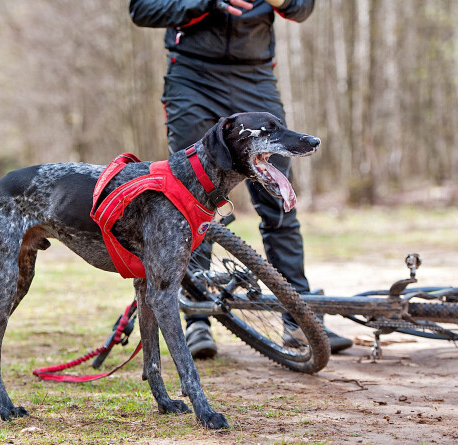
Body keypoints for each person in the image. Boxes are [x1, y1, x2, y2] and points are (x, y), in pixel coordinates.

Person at [129, 0, 353, 357]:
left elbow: (302, 8)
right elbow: (142, 10)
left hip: (255, 77)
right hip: (192, 77)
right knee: (191, 200)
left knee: (279, 200)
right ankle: (197, 318)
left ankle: (298, 320)